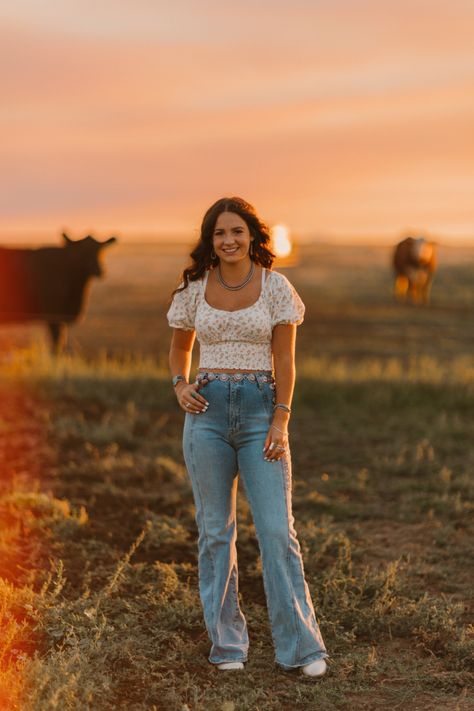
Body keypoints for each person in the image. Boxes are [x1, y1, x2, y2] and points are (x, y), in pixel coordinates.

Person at [166, 196, 328, 677]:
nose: (229, 240)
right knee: (216, 533)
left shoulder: (277, 287)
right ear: (209, 241)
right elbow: (180, 349)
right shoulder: (194, 287)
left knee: (278, 532)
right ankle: (227, 646)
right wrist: (180, 385)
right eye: (219, 233)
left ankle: (301, 648)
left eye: (237, 231)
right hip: (207, 415)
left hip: (262, 413)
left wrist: (281, 418)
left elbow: (286, 362)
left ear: (254, 236)